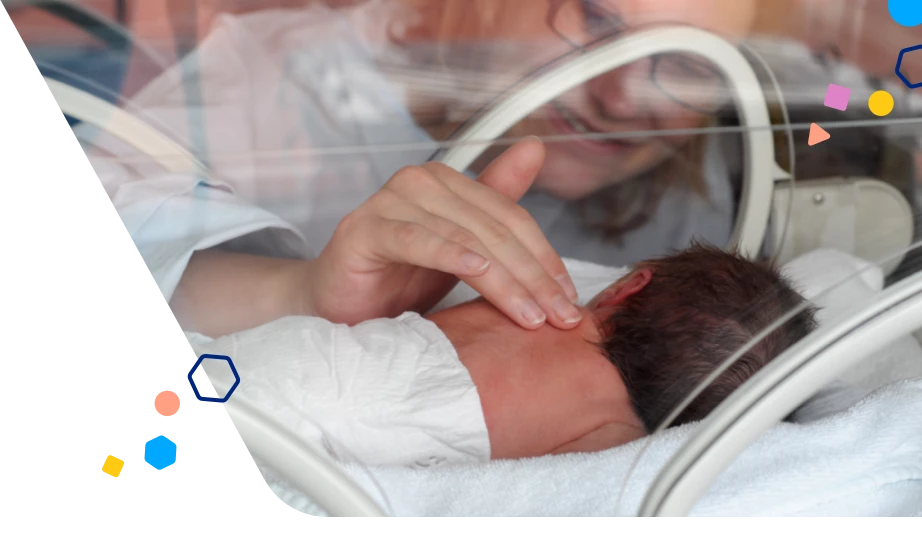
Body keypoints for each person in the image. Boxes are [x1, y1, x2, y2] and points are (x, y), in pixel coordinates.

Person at [80, 0, 763, 341]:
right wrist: (300, 293)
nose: (620, 98)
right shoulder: (287, 74)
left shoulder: (695, 175)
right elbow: (133, 218)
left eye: (684, 64)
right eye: (592, 19)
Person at [188, 242, 818, 467]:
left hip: (324, 368)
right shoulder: (613, 438)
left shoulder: (546, 308)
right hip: (374, 435)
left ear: (631, 286)